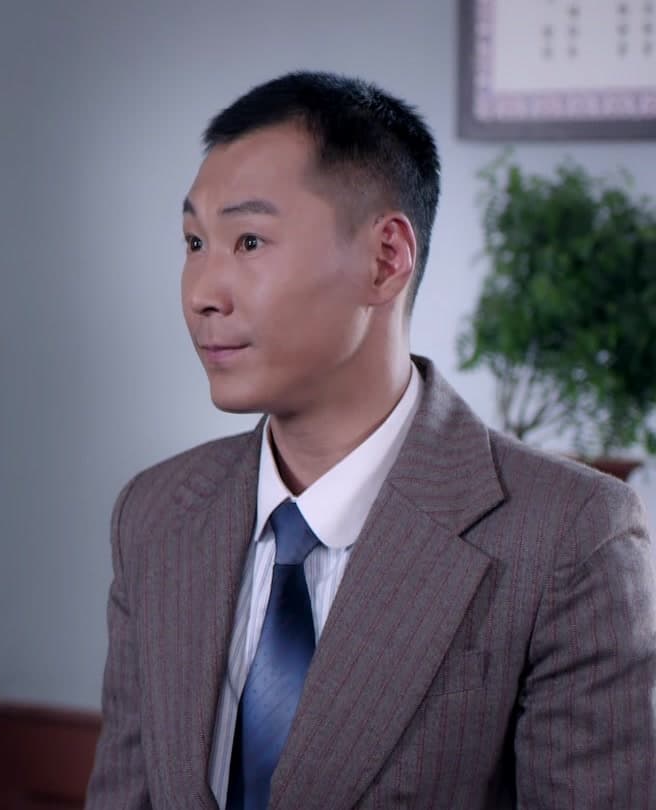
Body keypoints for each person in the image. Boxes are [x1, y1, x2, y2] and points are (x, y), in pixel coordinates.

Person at [85, 71, 656, 809]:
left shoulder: (569, 536)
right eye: (195, 242)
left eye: (249, 241)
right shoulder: (156, 514)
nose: (201, 293)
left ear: (386, 259)